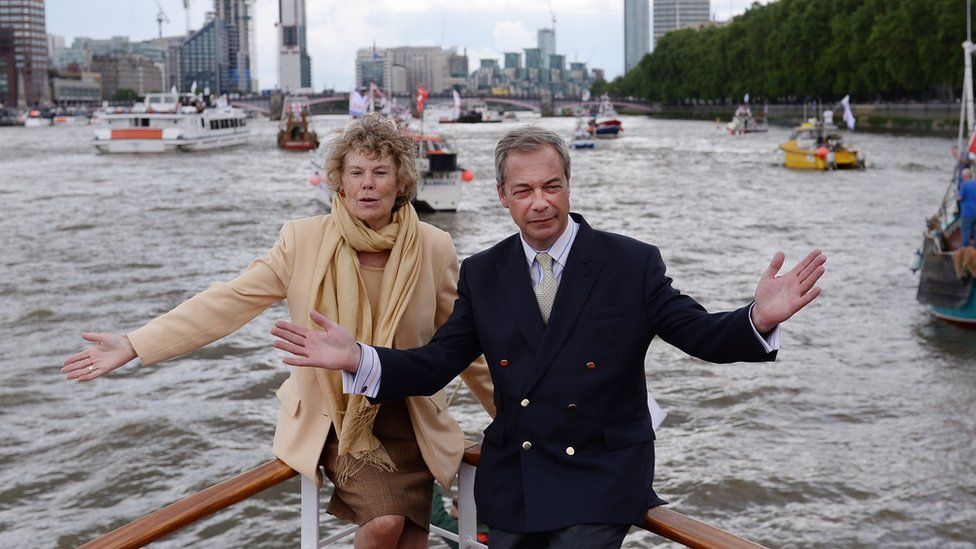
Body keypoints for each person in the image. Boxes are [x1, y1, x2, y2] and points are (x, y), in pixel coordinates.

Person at [271, 126, 826, 549]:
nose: (540, 202)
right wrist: (358, 357)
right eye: (524, 190)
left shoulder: (630, 263)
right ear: (502, 196)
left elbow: (700, 334)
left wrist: (757, 318)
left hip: (599, 477)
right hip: (516, 477)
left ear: (567, 186)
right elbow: (437, 362)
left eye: (551, 186)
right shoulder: (484, 272)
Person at [62, 113, 494, 549]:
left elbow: (464, 346)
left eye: (380, 172)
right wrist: (135, 343)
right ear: (339, 182)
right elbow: (229, 300)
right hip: (340, 418)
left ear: (400, 183)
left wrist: (511, 410)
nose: (367, 184)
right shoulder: (302, 241)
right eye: (356, 172)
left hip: (410, 415)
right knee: (384, 523)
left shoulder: (433, 246)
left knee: (411, 540)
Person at [959, 168, 976, 248]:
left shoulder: (964, 185)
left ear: (965, 176)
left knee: (966, 231)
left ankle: (965, 248)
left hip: (967, 213)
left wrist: (957, 197)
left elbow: (960, 198)